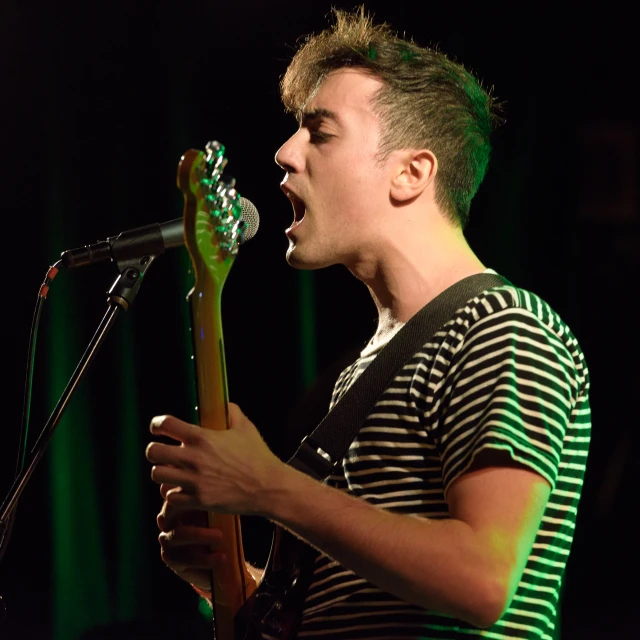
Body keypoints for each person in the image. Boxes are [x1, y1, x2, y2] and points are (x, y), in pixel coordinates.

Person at [145, 7, 591, 639]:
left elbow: (482, 580)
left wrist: (267, 485)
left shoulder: (502, 326)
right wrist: (230, 581)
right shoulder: (367, 367)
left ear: (411, 173)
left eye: (319, 133)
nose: (284, 153)